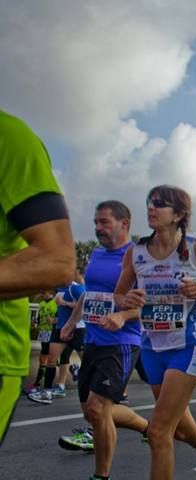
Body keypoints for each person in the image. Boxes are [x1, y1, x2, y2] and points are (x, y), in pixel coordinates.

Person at [111, 185, 196, 480]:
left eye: (160, 204)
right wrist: (126, 300)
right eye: (149, 203)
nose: (151, 208)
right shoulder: (137, 253)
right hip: (152, 347)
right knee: (183, 430)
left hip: (190, 345)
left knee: (158, 431)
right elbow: (119, 295)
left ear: (180, 214)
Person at [58, 200, 150, 479]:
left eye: (104, 222)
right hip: (94, 342)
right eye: (96, 222)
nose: (98, 228)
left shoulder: (139, 257)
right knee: (92, 413)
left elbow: (154, 305)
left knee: (99, 409)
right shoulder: (97, 254)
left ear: (125, 223)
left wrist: (123, 316)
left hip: (122, 342)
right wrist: (73, 322)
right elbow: (90, 293)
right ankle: (147, 428)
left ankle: (101, 476)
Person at [0, 110, 76, 447]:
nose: (99, 226)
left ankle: (56, 386)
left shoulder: (9, 136)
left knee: (97, 402)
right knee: (49, 357)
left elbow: (56, 261)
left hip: (100, 335)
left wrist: (73, 315)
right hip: (52, 322)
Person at [28, 270, 86, 404]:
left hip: (77, 329)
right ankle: (47, 393)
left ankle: (98, 390)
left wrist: (65, 303)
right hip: (60, 329)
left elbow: (84, 307)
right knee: (51, 360)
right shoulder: (59, 289)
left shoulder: (75, 288)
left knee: (89, 361)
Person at [25, 290, 58, 394]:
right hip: (43, 332)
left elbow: (60, 318)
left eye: (45, 292)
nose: (43, 294)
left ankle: (37, 384)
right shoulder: (41, 304)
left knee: (46, 358)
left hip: (51, 332)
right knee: (42, 358)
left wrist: (53, 321)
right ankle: (37, 384)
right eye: (42, 293)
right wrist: (36, 322)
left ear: (51, 293)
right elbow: (39, 317)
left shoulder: (55, 303)